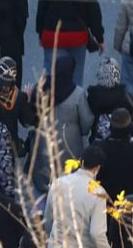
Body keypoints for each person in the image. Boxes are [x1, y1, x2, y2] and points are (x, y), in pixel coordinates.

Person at [36, 0, 104, 87]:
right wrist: (99, 38)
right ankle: (74, 105)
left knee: (51, 74)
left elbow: (41, 12)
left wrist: (40, 33)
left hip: (52, 37)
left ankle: (49, 103)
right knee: (76, 77)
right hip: (77, 37)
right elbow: (94, 15)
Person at [44, 146, 117, 248]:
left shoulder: (58, 183)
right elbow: (97, 233)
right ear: (97, 168)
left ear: (80, 161)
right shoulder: (98, 193)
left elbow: (48, 218)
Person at [29, 53, 94, 192]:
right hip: (71, 148)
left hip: (45, 146)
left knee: (45, 186)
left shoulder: (41, 88)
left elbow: (32, 117)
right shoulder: (78, 94)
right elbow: (87, 123)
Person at [90, 109, 133, 200]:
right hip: (128, 200)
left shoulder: (97, 148)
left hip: (102, 198)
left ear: (111, 126)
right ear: (129, 127)